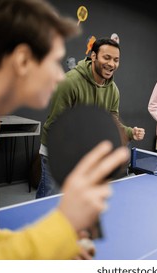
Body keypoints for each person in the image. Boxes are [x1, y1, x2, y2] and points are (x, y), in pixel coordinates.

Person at [0, 0, 129, 259]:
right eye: (54, 61)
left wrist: (55, 242)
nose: (60, 76)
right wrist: (62, 226)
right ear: (23, 60)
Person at [36, 37, 145, 198]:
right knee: (49, 199)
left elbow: (111, 121)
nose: (111, 64)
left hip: (83, 155)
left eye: (116, 60)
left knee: (73, 201)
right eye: (106, 57)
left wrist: (129, 132)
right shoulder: (69, 83)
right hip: (56, 151)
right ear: (93, 56)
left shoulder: (113, 90)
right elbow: (55, 125)